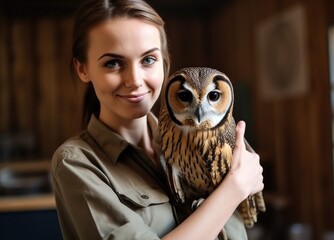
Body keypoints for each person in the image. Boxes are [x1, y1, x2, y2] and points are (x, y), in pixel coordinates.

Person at [51, 0, 264, 239]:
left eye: (148, 60)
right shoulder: (77, 163)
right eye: (113, 63)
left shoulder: (201, 137)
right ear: (83, 69)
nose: (134, 80)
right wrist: (234, 188)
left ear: (164, 62)